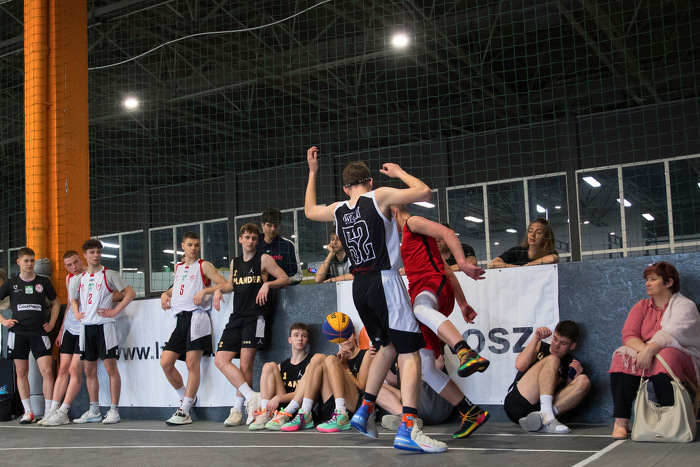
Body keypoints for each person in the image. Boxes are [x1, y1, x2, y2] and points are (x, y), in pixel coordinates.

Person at [304, 145, 446, 453]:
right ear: (369, 181)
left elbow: (309, 211)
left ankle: (364, 409)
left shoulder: (338, 209)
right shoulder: (378, 196)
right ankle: (409, 428)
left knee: (387, 347)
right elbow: (424, 191)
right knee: (410, 353)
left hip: (360, 286)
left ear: (345, 188)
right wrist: (399, 173)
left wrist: (313, 173)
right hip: (385, 281)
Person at [391, 204, 491, 438]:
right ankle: (470, 412)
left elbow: (447, 232)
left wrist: (463, 262)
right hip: (426, 289)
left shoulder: (411, 222)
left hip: (431, 284)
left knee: (420, 309)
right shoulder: (409, 240)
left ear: (394, 211)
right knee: (426, 368)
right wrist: (463, 303)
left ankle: (464, 351)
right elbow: (448, 270)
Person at [608, 261, 700, 439]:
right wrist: (646, 351)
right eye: (647, 280)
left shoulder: (685, 306)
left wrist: (652, 351)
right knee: (621, 355)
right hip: (646, 358)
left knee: (667, 355)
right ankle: (621, 421)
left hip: (684, 360)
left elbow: (672, 334)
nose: (647, 283)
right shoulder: (641, 306)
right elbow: (629, 335)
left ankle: (668, 422)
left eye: (653, 279)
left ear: (669, 282)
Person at [213, 223, 290, 427]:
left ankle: (238, 410)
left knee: (246, 364)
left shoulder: (263, 259)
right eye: (247, 237)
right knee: (220, 360)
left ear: (257, 241)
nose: (250, 241)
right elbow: (231, 284)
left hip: (257, 317)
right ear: (240, 239)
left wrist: (267, 284)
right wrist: (218, 290)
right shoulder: (235, 262)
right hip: (237, 317)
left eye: (254, 238)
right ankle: (251, 397)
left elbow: (285, 278)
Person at [41, 251, 123, 426]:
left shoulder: (98, 275)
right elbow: (71, 305)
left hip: (87, 328)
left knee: (75, 369)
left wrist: (108, 304)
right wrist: (62, 329)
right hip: (71, 327)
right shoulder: (71, 279)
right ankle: (52, 410)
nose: (74, 267)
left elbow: (119, 293)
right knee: (63, 369)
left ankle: (64, 411)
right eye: (69, 265)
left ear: (82, 259)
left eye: (76, 262)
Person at [160, 231, 227, 426]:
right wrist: (165, 294)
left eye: (196, 245)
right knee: (165, 362)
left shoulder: (204, 265)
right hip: (180, 319)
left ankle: (185, 411)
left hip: (197, 317)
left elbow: (224, 283)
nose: (193, 248)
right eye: (190, 245)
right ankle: (185, 397)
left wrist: (206, 290)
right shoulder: (179, 267)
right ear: (183, 246)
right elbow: (177, 288)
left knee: (191, 364)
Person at [68, 239, 136, 424]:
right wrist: (76, 312)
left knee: (110, 368)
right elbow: (73, 299)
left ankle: (114, 411)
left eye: (98, 252)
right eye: (92, 252)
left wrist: (114, 311)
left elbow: (130, 293)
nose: (96, 255)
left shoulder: (109, 274)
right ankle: (94, 411)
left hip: (104, 327)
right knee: (89, 370)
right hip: (86, 328)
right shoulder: (79, 279)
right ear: (85, 255)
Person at [0, 248, 60, 424]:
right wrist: (3, 321)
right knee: (21, 371)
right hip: (18, 332)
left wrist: (52, 323)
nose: (30, 264)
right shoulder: (11, 283)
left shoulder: (43, 282)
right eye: (26, 260)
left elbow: (56, 303)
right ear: (18, 262)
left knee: (47, 370)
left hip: (39, 332)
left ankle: (49, 411)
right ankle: (28, 411)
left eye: (32, 260)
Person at [504, 321, 590, 434]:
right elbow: (520, 365)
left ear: (572, 346)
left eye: (563, 343)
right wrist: (536, 338)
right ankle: (547, 417)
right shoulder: (540, 346)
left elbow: (566, 399)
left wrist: (572, 379)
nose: (556, 345)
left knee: (584, 381)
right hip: (518, 403)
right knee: (553, 359)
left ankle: (542, 417)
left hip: (541, 409)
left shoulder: (571, 364)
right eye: (555, 339)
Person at [248, 322, 316, 430]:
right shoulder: (281, 366)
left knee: (312, 367)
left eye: (304, 336)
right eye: (296, 335)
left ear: (307, 340)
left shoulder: (311, 364)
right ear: (289, 339)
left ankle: (284, 415)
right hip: (279, 408)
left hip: (298, 407)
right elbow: (272, 392)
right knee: (269, 366)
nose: (300, 339)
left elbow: (302, 393)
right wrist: (264, 405)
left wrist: (279, 398)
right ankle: (266, 413)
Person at [489, 218, 559, 268]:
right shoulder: (518, 251)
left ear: (545, 239)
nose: (532, 235)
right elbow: (492, 264)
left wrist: (530, 265)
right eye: (530, 231)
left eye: (538, 232)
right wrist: (516, 268)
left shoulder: (549, 253)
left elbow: (553, 258)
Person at [257, 208, 303, 285]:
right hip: (259, 290)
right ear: (262, 225)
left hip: (283, 290)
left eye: (276, 225)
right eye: (269, 225)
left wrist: (279, 283)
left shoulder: (288, 246)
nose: (273, 229)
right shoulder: (255, 245)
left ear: (280, 226)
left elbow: (298, 275)